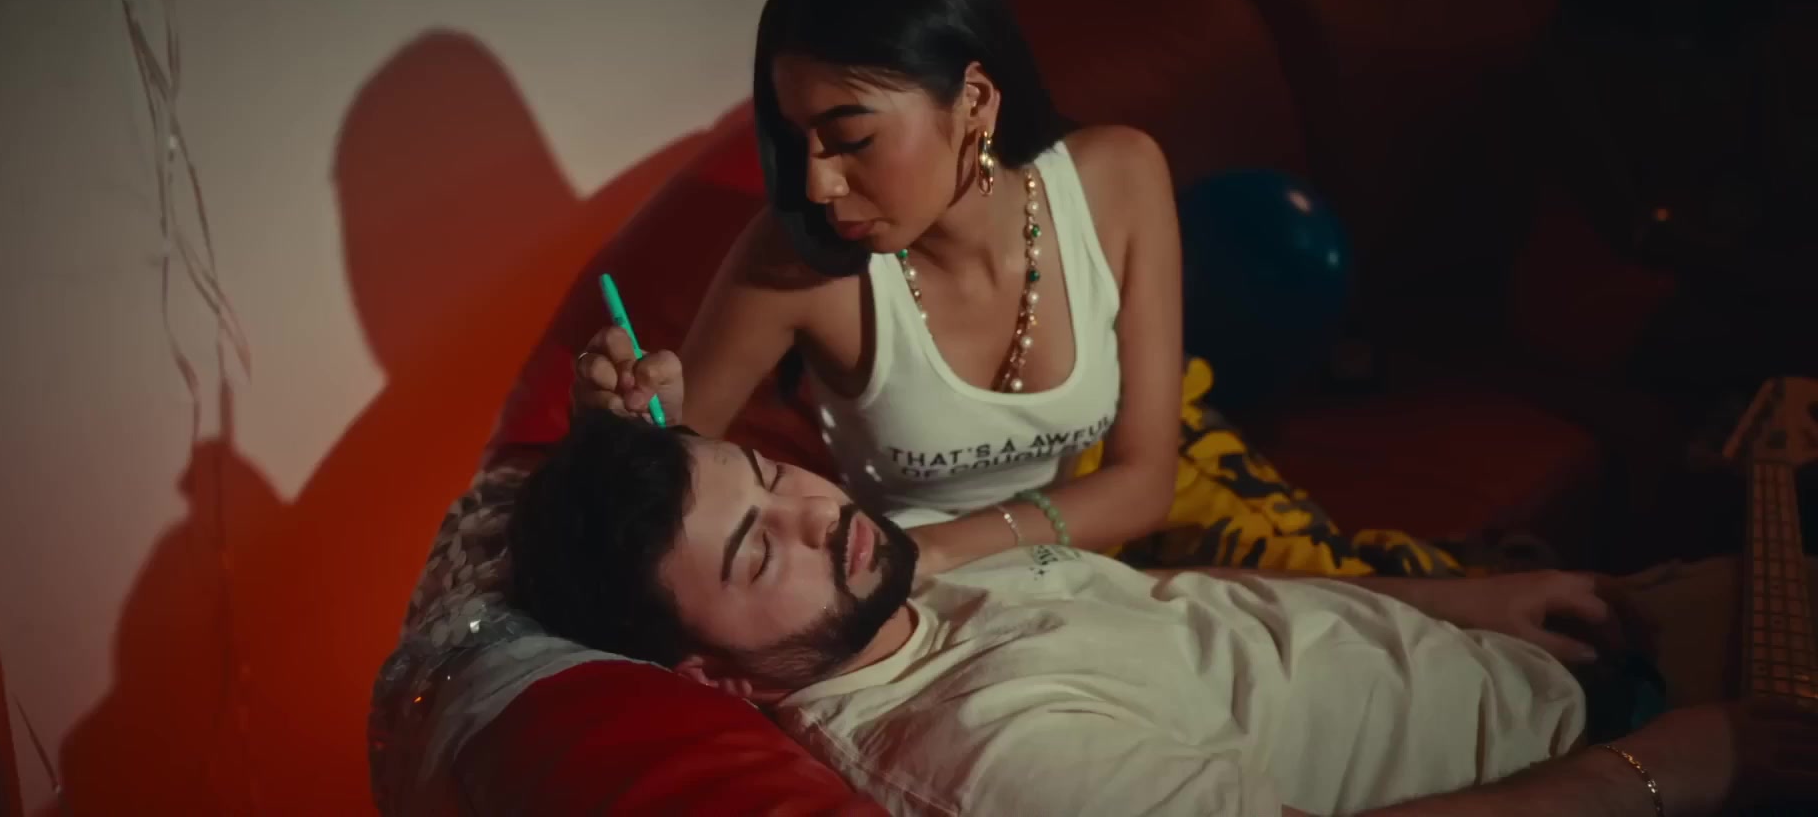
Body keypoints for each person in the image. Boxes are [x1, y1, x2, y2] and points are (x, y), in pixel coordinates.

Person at [572, 0, 1458, 580]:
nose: (818, 184)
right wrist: (626, 427)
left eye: (851, 137)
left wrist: (932, 551)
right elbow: (652, 512)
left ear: (976, 101)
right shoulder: (796, 263)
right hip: (976, 597)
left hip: (1115, 537)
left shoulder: (1119, 177)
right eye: (797, 138)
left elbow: (1144, 481)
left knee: (1421, 607)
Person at [510, 409, 1818, 817]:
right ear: (719, 679)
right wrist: (1661, 772)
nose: (814, 511)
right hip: (1613, 752)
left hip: (1552, 651)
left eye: (772, 473)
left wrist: (1467, 597)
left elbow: (1188, 600)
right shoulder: (979, 752)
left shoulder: (904, 581)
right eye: (758, 550)